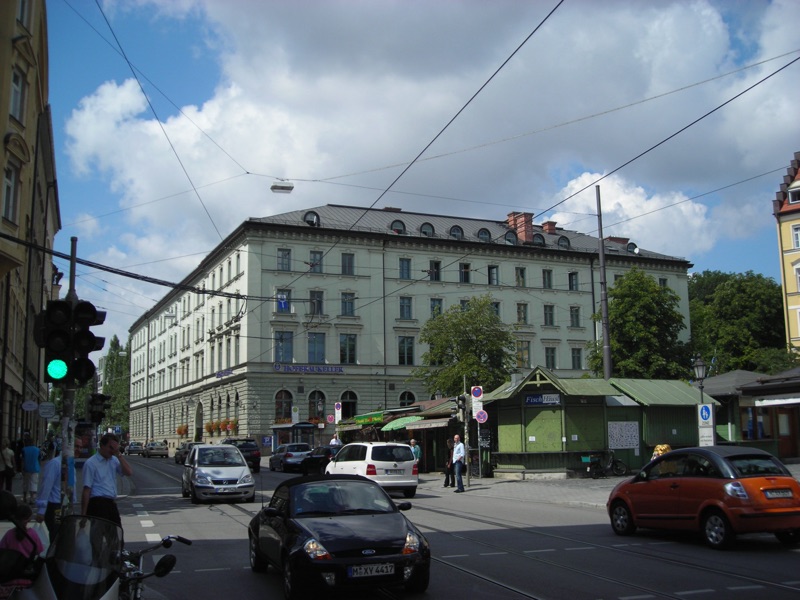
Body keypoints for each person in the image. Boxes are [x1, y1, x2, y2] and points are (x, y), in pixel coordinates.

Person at [81, 433, 132, 528]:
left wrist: (119, 455)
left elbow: (128, 472)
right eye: (110, 447)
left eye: (115, 448)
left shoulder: (114, 460)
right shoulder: (91, 463)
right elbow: (86, 489)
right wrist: (83, 514)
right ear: (102, 446)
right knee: (98, 534)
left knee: (116, 534)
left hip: (111, 503)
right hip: (97, 504)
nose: (112, 451)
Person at [0, 503, 44, 588]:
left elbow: (2, 551)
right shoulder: (33, 534)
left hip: (9, 579)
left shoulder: (9, 534)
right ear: (29, 519)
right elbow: (40, 552)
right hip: (26, 579)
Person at [36, 442, 63, 541]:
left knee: (63, 536)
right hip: (56, 508)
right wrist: (41, 510)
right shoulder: (55, 464)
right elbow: (46, 486)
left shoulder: (70, 464)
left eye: (80, 447)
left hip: (65, 506)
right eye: (75, 447)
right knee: (56, 534)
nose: (78, 449)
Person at [21, 436, 40, 504]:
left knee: (25, 483)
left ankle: (24, 497)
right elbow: (39, 459)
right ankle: (32, 498)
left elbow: (23, 460)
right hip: (35, 468)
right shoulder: (37, 450)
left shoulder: (24, 449)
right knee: (34, 483)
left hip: (26, 468)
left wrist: (22, 469)